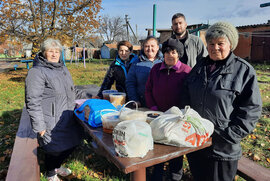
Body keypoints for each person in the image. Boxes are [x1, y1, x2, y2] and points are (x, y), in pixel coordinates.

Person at [183, 22, 262, 181]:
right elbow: (186, 95)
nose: (215, 47)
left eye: (220, 43)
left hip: (223, 148)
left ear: (231, 44)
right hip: (197, 143)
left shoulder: (243, 71)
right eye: (211, 43)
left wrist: (231, 135)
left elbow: (251, 109)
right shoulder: (199, 67)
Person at [25, 38, 92, 181]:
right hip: (50, 120)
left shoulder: (62, 68)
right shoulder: (36, 72)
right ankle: (50, 173)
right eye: (51, 51)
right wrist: (39, 126)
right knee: (54, 150)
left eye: (57, 51)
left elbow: (72, 90)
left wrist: (91, 96)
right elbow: (32, 101)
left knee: (73, 143)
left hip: (67, 116)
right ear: (43, 53)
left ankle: (56, 166)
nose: (54, 54)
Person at [145, 38, 191, 181]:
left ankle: (175, 177)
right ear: (163, 54)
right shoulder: (156, 69)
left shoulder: (186, 71)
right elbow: (148, 90)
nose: (170, 55)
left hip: (177, 118)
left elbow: (190, 94)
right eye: (167, 52)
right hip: (157, 115)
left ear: (179, 54)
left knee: (175, 148)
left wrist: (180, 113)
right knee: (158, 146)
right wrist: (154, 109)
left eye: (173, 52)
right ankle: (156, 175)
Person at [126, 36, 163, 107]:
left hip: (161, 103)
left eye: (152, 46)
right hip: (142, 103)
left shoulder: (164, 62)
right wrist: (135, 100)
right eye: (147, 46)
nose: (149, 49)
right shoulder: (136, 63)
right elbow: (130, 83)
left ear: (157, 47)